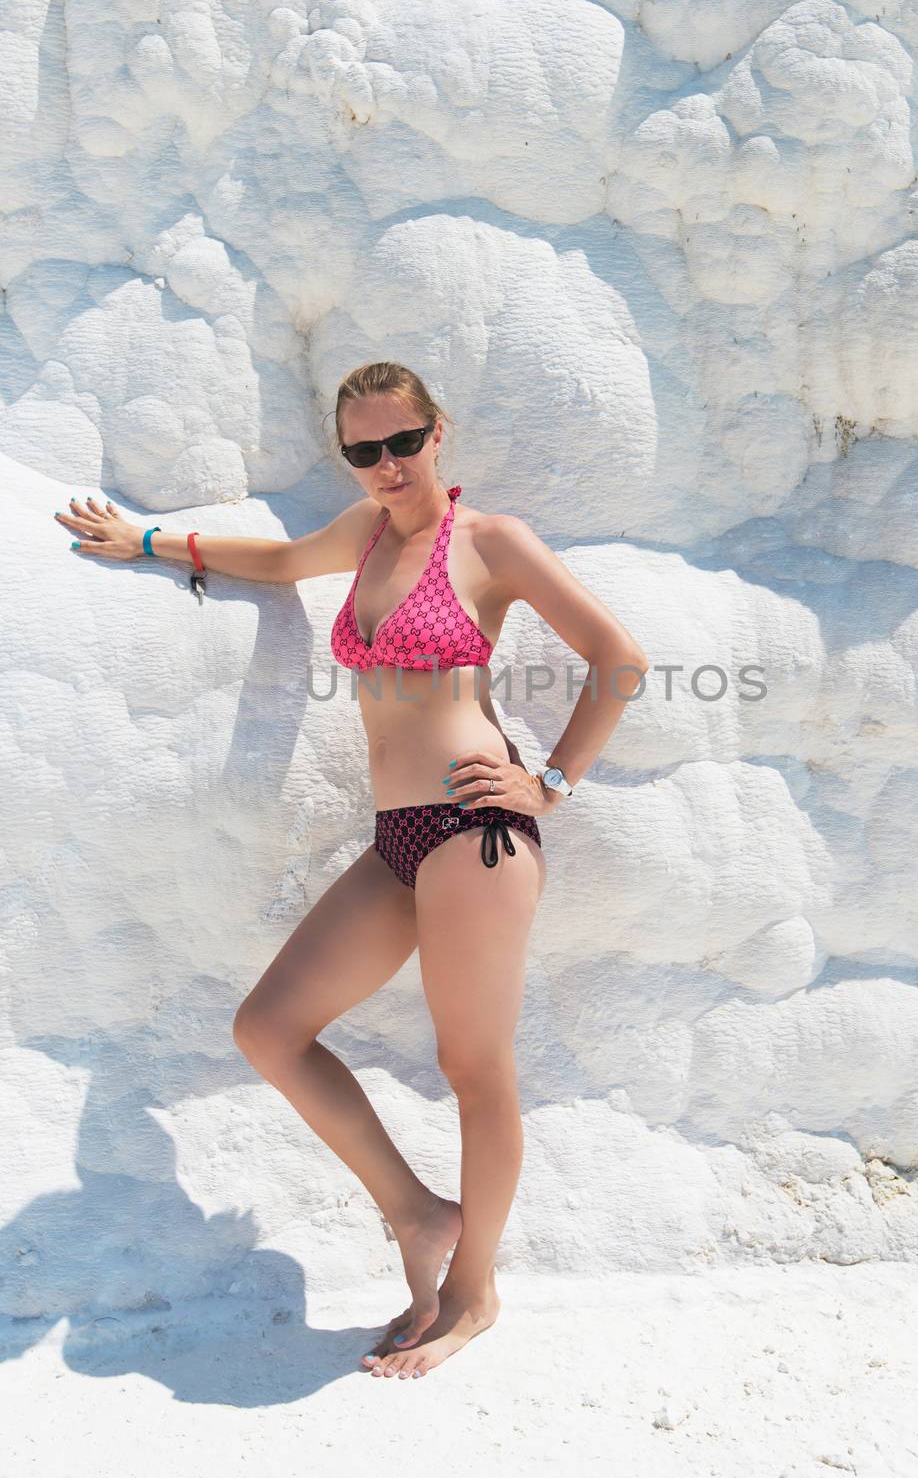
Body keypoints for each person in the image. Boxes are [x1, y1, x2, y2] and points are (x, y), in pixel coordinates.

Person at [55, 360, 649, 1381]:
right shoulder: (365, 535)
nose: (385, 466)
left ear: (436, 433)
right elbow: (283, 561)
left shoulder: (487, 542)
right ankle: (419, 1215)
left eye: (401, 443)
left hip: (476, 831)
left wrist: (547, 782)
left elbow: (619, 659)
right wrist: (150, 540)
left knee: (475, 1070)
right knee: (269, 1027)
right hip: (397, 841)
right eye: (362, 450)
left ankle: (473, 1289)